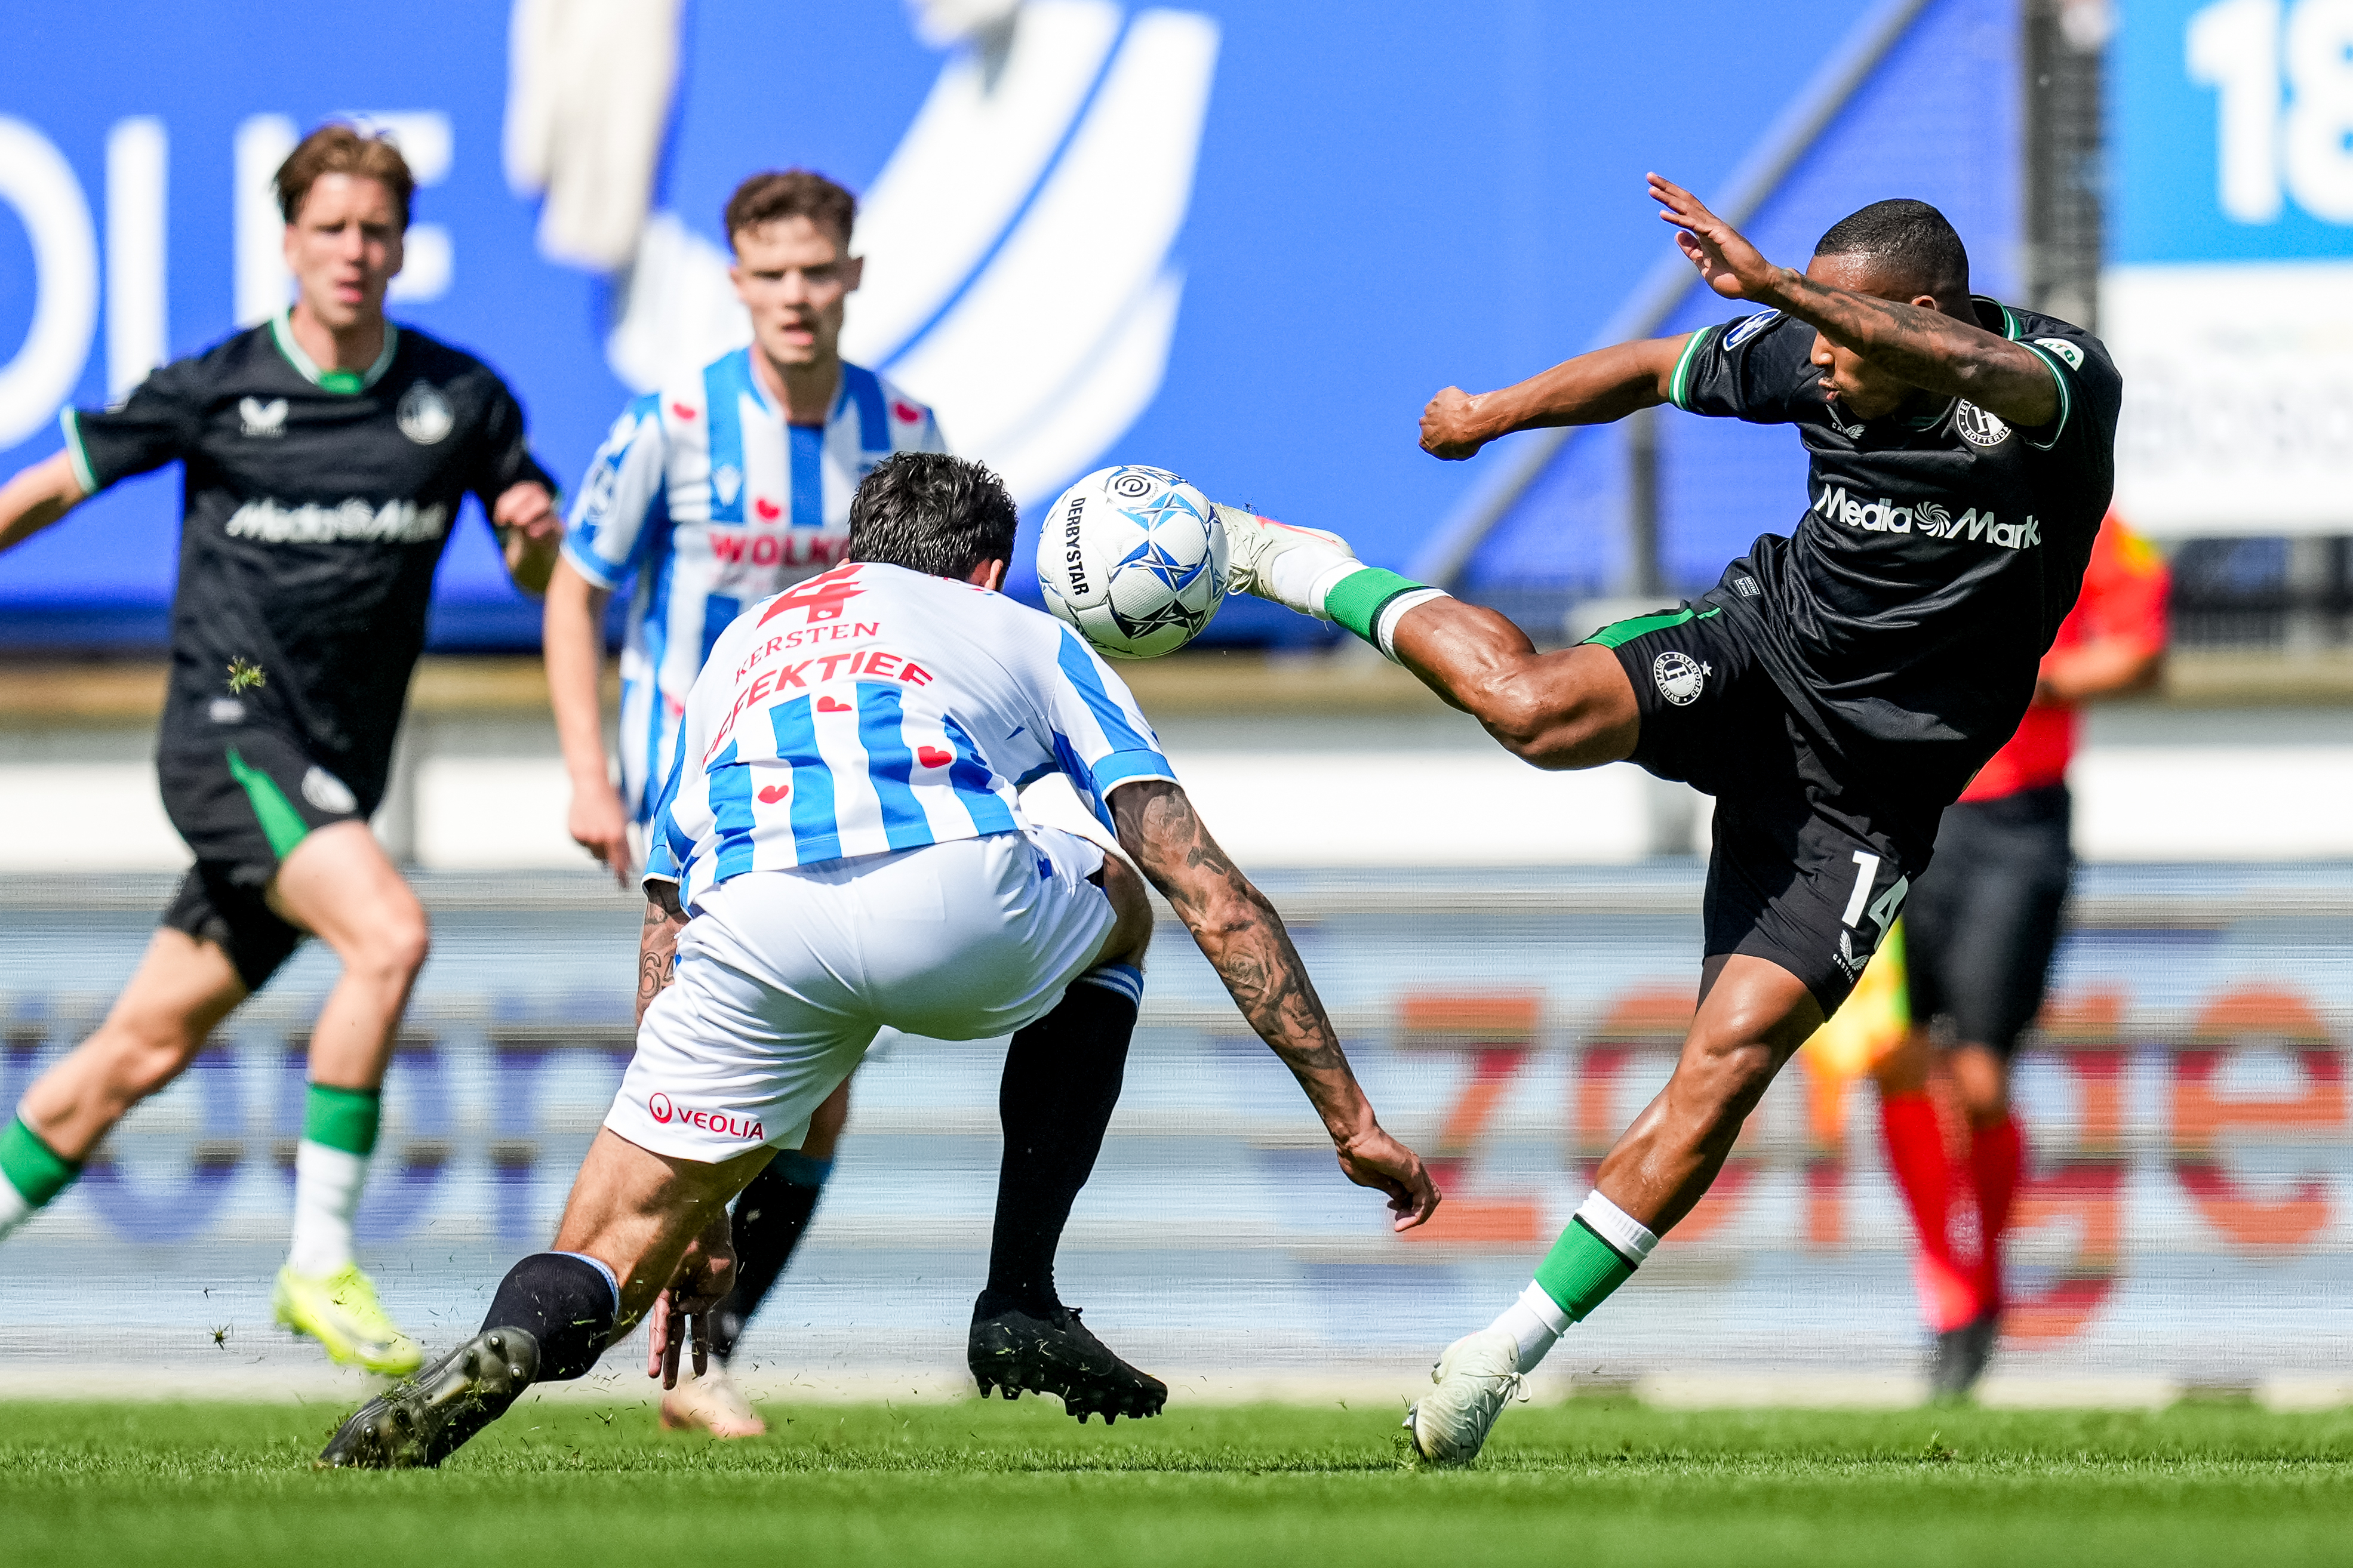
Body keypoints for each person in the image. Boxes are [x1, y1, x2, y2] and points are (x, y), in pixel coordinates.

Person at [1217, 175, 2119, 1462]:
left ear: (1916, 315)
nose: (1816, 366)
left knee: (1727, 1070)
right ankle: (1295, 561)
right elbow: (1654, 366)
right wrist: (1487, 415)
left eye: (1843, 338)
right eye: (1808, 336)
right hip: (1759, 657)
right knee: (1534, 712)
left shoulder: (2056, 388)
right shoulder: (1819, 356)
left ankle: (1492, 1363)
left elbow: (1988, 367)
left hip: (1864, 807)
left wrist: (1788, 292)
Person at [317, 452, 1437, 1469]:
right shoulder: (1027, 632)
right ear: (989, 568)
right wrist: (1350, 1119)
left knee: (610, 1253)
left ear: (859, 550)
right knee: (1127, 903)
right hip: (948, 897)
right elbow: (1211, 888)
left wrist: (706, 1209)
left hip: (750, 924)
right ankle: (1019, 1292)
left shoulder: (745, 641)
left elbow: (665, 910)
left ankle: (504, 1342)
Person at [0, 124, 561, 1373]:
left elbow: (533, 567)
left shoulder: (460, 402)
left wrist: (529, 534)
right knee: (390, 933)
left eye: (376, 230)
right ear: (291, 240)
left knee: (128, 1059)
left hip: (329, 777)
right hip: (229, 731)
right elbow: (49, 489)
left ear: (404, 244)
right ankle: (318, 1260)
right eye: (332, 230)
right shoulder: (218, 388)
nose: (354, 252)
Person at [544, 168, 946, 1435]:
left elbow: (930, 619)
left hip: (834, 797)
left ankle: (709, 1347)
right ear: (737, 283)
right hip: (691, 798)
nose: (796, 296)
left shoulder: (905, 428)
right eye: (771, 274)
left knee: (822, 1086)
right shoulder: (670, 422)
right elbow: (576, 588)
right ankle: (657, 1319)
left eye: (817, 271)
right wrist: (588, 772)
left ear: (853, 276)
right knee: (696, 1062)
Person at [1872, 510, 2168, 1397]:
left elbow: (2141, 653)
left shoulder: (2090, 523)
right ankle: (1949, 1288)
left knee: (1978, 1080)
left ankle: (1982, 1281)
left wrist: (2031, 682)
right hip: (1904, 806)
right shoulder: (1897, 499)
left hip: (2015, 822)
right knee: (1891, 1056)